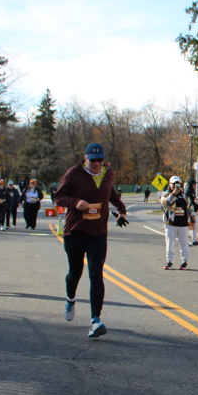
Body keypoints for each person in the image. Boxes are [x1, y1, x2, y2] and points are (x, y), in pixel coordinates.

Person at [53, 142, 128, 338]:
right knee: (75, 272)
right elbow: (59, 197)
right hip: (75, 231)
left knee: (96, 273)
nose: (96, 164)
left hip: (98, 233)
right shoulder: (73, 174)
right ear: (85, 158)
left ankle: (95, 320)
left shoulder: (108, 174)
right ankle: (70, 299)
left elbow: (110, 193)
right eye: (93, 160)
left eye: (100, 160)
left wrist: (121, 210)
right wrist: (75, 202)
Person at [160, 175, 193, 270]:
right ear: (170, 184)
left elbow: (190, 208)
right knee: (170, 243)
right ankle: (169, 261)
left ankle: (184, 261)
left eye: (177, 184)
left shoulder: (184, 195)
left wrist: (192, 220)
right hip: (170, 223)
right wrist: (173, 194)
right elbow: (164, 204)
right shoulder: (166, 194)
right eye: (174, 184)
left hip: (183, 223)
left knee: (184, 243)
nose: (176, 186)